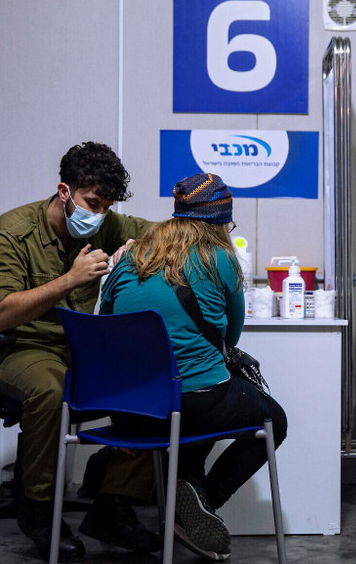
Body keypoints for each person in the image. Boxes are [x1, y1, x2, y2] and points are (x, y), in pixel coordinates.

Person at [0, 142, 160, 561]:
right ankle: (38, 509)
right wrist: (70, 280)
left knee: (151, 379)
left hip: (79, 348)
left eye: (106, 207)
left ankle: (114, 505)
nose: (98, 215)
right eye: (92, 203)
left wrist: (141, 247)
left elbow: (163, 232)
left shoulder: (102, 223)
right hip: (20, 348)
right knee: (51, 388)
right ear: (65, 192)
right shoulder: (13, 231)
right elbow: (0, 315)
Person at [99, 172, 288, 562]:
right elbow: (229, 337)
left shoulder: (130, 256)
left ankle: (189, 495)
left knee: (193, 413)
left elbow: (105, 324)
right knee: (272, 419)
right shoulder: (220, 259)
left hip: (132, 408)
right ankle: (197, 506)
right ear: (222, 221)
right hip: (193, 401)